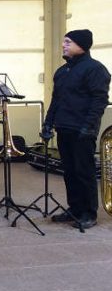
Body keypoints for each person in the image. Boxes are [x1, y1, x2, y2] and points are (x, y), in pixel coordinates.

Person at [43, 29, 110, 229]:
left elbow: (99, 101)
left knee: (84, 172)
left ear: (82, 45)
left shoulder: (95, 69)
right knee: (69, 172)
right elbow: (56, 100)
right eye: (64, 42)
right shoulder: (62, 71)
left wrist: (89, 127)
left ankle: (89, 213)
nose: (63, 45)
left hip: (82, 129)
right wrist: (48, 123)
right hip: (64, 127)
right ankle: (75, 208)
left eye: (68, 42)